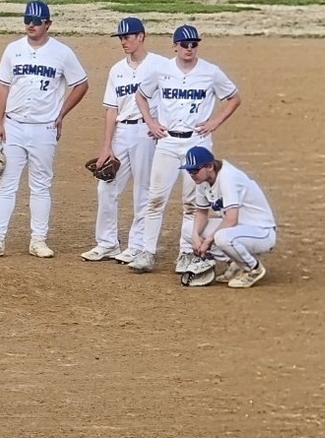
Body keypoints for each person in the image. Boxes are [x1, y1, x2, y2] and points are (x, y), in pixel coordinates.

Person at [0, 0, 89, 259]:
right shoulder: (13, 49)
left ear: (48, 24)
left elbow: (81, 84)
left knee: (40, 185)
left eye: (37, 21)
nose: (31, 25)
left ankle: (38, 240)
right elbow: (2, 87)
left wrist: (61, 113)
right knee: (6, 184)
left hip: (44, 128)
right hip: (13, 126)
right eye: (28, 19)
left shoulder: (62, 53)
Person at [125, 24, 241, 274]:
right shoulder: (161, 70)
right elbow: (141, 95)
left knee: (192, 203)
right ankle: (147, 252)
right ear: (175, 46)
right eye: (184, 44)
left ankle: (186, 252)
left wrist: (215, 122)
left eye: (194, 44)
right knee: (156, 198)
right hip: (167, 141)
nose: (189, 49)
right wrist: (151, 122)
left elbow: (234, 97)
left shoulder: (210, 72)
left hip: (196, 143)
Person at [82, 17, 168, 263]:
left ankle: (137, 245)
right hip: (122, 132)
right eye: (121, 38)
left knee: (143, 190)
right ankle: (107, 243)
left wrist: (159, 123)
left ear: (141, 36)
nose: (123, 42)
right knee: (106, 186)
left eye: (127, 37)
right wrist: (106, 146)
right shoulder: (117, 69)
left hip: (146, 134)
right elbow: (111, 109)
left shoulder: (161, 66)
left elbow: (172, 98)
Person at [179, 146, 276, 288]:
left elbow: (231, 219)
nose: (192, 174)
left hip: (261, 231)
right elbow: (201, 212)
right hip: (238, 229)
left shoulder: (228, 177)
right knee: (188, 229)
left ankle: (253, 269)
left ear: (210, 166)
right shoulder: (203, 181)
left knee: (221, 237)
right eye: (189, 171)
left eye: (195, 170)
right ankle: (236, 264)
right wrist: (195, 236)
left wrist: (207, 241)